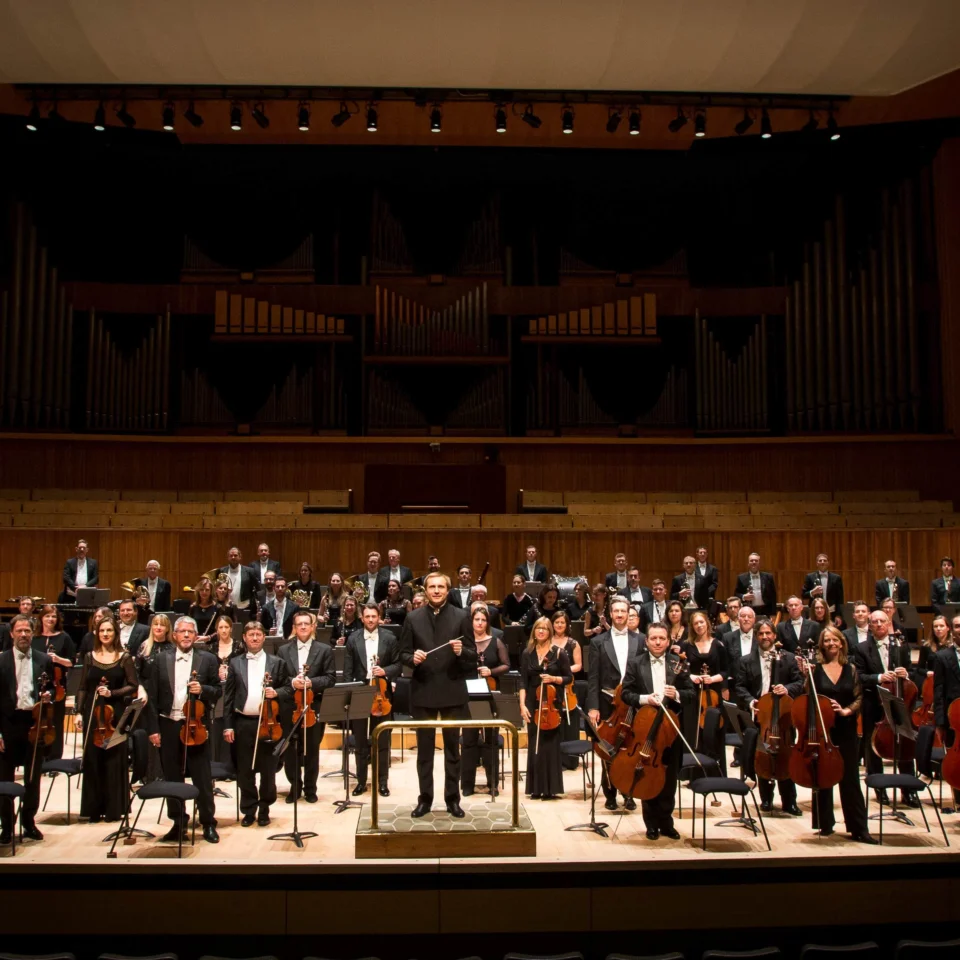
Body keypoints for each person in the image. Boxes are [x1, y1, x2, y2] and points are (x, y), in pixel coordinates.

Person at [398, 572, 477, 818]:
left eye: (441, 586)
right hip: (423, 692)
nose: (436, 590)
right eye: (432, 586)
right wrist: (413, 658)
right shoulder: (412, 617)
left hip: (453, 691)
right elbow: (402, 654)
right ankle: (425, 799)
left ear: (447, 589)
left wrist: (461, 650)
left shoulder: (462, 616)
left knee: (453, 751)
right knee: (424, 752)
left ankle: (453, 799)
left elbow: (473, 655)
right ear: (425, 589)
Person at [145, 616, 221, 843]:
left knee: (202, 777)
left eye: (190, 632)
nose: (187, 635)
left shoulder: (207, 659)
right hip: (169, 724)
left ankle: (208, 823)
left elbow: (218, 690)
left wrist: (204, 689)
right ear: (174, 635)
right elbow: (152, 698)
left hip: (196, 725)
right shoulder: (160, 659)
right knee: (172, 777)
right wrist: (153, 729)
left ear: (196, 636)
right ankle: (178, 823)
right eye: (182, 631)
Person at [801, 626, 877, 843]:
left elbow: (859, 697)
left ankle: (858, 828)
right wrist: (806, 676)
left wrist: (846, 711)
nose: (831, 644)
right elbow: (808, 697)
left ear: (842, 643)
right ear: (822, 645)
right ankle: (825, 824)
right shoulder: (815, 669)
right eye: (827, 641)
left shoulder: (850, 668)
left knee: (850, 777)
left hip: (846, 728)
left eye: (835, 640)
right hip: (824, 729)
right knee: (824, 774)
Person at [620, 622, 693, 840]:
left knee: (669, 778)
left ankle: (666, 823)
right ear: (647, 641)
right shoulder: (635, 663)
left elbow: (691, 694)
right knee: (647, 775)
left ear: (668, 641)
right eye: (654, 638)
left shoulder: (677, 663)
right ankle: (651, 824)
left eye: (662, 638)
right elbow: (626, 694)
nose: (658, 642)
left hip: (670, 730)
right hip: (645, 726)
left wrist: (677, 694)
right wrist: (645, 698)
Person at [734, 617, 803, 815]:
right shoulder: (746, 661)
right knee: (762, 755)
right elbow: (739, 687)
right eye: (761, 634)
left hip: (782, 716)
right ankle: (766, 799)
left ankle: (789, 801)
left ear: (774, 635)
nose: (765, 637)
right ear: (756, 636)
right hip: (760, 716)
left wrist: (787, 688)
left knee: (786, 755)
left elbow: (800, 683)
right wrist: (751, 702)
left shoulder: (788, 658)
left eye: (768, 633)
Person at [75, 616, 138, 823]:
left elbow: (133, 685)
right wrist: (78, 711)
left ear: (115, 633)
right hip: (93, 714)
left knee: (113, 761)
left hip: (115, 714)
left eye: (109, 631)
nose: (105, 634)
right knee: (93, 760)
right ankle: (93, 809)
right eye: (102, 630)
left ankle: (114, 809)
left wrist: (112, 693)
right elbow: (83, 687)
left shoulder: (124, 657)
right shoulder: (89, 657)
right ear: (97, 633)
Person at [852, 609, 918, 807]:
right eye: (875, 622)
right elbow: (859, 678)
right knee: (873, 745)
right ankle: (879, 787)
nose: (879, 624)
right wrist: (879, 678)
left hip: (898, 702)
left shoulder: (901, 646)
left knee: (905, 741)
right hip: (874, 702)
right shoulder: (861, 648)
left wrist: (906, 673)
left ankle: (909, 791)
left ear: (889, 623)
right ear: (870, 625)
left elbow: (913, 672)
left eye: (882, 621)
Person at [223, 620, 286, 827]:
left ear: (264, 637)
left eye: (259, 634)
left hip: (267, 723)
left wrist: (276, 692)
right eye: (251, 635)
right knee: (245, 770)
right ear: (244, 638)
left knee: (268, 769)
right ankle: (249, 809)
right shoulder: (235, 663)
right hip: (243, 722)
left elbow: (288, 689)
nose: (255, 638)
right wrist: (228, 725)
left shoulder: (277, 663)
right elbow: (229, 698)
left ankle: (265, 808)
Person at [587, 596, 645, 812]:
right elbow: (593, 677)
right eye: (616, 611)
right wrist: (593, 707)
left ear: (628, 614)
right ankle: (610, 792)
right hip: (607, 704)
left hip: (633, 705)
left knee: (631, 749)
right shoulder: (597, 642)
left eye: (623, 611)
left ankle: (629, 792)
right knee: (609, 750)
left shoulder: (641, 640)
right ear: (610, 614)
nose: (620, 615)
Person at [0, 615, 53, 843]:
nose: (23, 634)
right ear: (11, 634)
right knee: (4, 779)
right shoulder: (1, 661)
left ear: (33, 634)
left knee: (33, 778)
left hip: (34, 724)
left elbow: (51, 689)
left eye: (27, 631)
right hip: (7, 725)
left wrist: (48, 696)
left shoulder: (43, 660)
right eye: (19, 631)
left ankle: (28, 822)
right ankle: (7, 827)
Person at [276, 611, 335, 803]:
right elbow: (279, 678)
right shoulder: (283, 650)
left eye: (306, 624)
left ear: (312, 627)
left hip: (313, 706)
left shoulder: (324, 649)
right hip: (289, 706)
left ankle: (310, 788)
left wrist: (310, 682)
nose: (302, 627)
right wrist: (293, 682)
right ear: (294, 627)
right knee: (291, 749)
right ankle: (295, 786)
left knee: (312, 749)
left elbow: (330, 678)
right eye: (298, 624)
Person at [344, 604, 402, 797]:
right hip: (361, 695)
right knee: (360, 743)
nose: (370, 620)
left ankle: (383, 783)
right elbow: (348, 671)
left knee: (383, 742)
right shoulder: (353, 639)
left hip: (382, 695)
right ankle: (361, 782)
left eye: (374, 616)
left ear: (379, 618)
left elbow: (398, 665)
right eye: (367, 616)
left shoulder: (390, 638)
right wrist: (350, 695)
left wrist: (385, 671)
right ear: (362, 618)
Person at [519, 617, 571, 800]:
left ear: (550, 632)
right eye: (538, 628)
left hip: (551, 703)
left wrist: (554, 679)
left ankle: (550, 788)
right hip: (533, 704)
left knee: (549, 746)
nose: (541, 631)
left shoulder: (559, 653)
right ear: (534, 631)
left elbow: (569, 677)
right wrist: (522, 706)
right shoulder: (527, 653)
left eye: (545, 629)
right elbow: (523, 681)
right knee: (535, 744)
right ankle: (535, 788)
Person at [461, 604, 509, 795]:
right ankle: (466, 785)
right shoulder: (465, 642)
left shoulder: (496, 641)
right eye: (476, 620)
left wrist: (491, 671)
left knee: (490, 742)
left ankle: (493, 784)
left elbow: (506, 665)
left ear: (487, 623)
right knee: (469, 740)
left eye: (483, 620)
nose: (480, 623)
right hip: (469, 696)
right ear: (471, 622)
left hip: (490, 696)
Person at [681, 609, 729, 772]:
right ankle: (693, 772)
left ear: (707, 623)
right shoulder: (686, 645)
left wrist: (713, 678)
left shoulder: (718, 645)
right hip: (692, 693)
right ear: (692, 627)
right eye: (696, 623)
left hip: (713, 694)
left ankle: (716, 770)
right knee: (692, 730)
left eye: (701, 622)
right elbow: (681, 670)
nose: (699, 626)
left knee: (713, 728)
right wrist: (692, 677)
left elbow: (726, 671)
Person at [134, 613, 173, 781]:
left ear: (167, 628)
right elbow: (135, 674)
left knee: (164, 735)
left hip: (165, 697)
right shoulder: (144, 646)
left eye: (162, 625)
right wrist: (140, 689)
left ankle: (165, 774)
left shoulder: (172, 647)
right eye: (156, 624)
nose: (158, 627)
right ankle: (148, 775)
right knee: (149, 734)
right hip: (146, 698)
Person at [202, 614, 245, 761]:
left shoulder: (239, 646)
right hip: (217, 689)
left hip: (234, 688)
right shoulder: (210, 648)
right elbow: (207, 670)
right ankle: (217, 763)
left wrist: (230, 672)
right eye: (221, 627)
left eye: (226, 627)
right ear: (216, 630)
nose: (224, 630)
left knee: (230, 721)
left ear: (231, 629)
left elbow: (243, 667)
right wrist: (217, 673)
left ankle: (230, 763)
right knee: (217, 724)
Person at [35, 605, 75, 760]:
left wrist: (58, 659)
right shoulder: (35, 638)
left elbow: (72, 662)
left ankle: (54, 757)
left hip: (57, 686)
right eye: (47, 616)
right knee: (38, 720)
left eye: (53, 616)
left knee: (56, 721)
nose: (50, 619)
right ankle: (39, 755)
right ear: (41, 618)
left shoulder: (64, 637)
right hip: (38, 684)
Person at [551, 610, 582, 771]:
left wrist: (564, 669)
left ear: (567, 624)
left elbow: (578, 665)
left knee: (569, 723)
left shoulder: (573, 643)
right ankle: (555, 758)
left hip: (568, 686)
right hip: (551, 687)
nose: (559, 625)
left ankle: (570, 760)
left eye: (562, 622)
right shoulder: (547, 641)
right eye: (557, 622)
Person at [735, 553, 777, 617]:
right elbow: (736, 594)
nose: (754, 562)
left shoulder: (768, 577)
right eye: (751, 560)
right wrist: (744, 596)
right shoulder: (741, 577)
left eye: (756, 561)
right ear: (748, 564)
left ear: (759, 563)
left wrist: (773, 613)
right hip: (748, 610)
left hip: (766, 610)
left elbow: (773, 596)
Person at [914, 613, 952, 686]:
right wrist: (927, 672)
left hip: (950, 683)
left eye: (941, 626)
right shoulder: (926, 646)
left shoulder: (953, 646)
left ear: (948, 628)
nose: (938, 629)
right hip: (933, 682)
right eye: (935, 626)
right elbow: (919, 668)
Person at [219, 547, 258, 613]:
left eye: (235, 555)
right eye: (231, 556)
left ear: (240, 557)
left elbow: (256, 589)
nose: (233, 557)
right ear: (228, 558)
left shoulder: (249, 571)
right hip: (226, 606)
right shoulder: (222, 571)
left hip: (244, 607)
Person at [59, 538, 98, 603]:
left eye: (84, 548)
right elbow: (66, 578)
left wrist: (85, 586)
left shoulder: (93, 563)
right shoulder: (69, 562)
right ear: (76, 549)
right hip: (71, 595)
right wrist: (75, 588)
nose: (82, 550)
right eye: (80, 548)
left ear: (87, 550)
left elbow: (96, 578)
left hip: (86, 595)